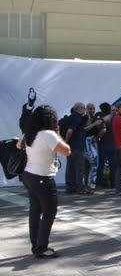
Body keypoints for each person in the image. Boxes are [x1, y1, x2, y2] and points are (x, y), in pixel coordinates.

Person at [20, 105, 71, 258]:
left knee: (35, 210)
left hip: (29, 174)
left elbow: (18, 145)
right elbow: (66, 151)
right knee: (49, 212)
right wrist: (58, 133)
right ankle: (41, 247)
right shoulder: (49, 134)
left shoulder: (29, 133)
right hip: (43, 177)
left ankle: (36, 243)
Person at [65, 102, 91, 195]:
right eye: (83, 108)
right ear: (78, 109)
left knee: (70, 168)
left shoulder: (73, 117)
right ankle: (80, 188)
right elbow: (70, 130)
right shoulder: (76, 117)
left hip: (70, 147)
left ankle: (70, 187)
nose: (84, 110)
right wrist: (66, 140)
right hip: (77, 146)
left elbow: (87, 126)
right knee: (79, 168)